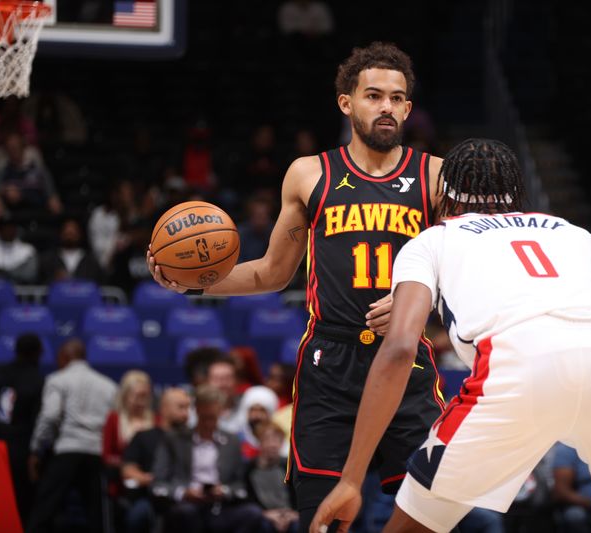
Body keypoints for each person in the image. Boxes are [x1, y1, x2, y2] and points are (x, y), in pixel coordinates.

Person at [309, 138, 591, 533]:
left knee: (417, 521)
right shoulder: (573, 234)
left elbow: (399, 349)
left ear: (442, 195)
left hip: (517, 371)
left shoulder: (431, 240)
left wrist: (351, 479)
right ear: (517, 193)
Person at [148, 41, 445, 531]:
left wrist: (421, 301)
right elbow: (271, 272)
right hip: (330, 365)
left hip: (405, 357)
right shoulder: (310, 174)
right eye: (373, 95)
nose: (386, 107)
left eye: (396, 98)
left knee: (428, 516)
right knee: (322, 518)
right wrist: (193, 285)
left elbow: (465, 268)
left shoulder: (433, 175)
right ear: (346, 102)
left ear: (408, 108)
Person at [27, 338, 117, 533]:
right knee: (96, 515)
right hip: (95, 452)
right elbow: (113, 423)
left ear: (65, 356)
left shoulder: (57, 379)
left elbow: (50, 416)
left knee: (44, 509)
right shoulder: (108, 385)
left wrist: (36, 448)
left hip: (66, 450)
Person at [151, 385, 264, 533]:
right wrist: (183, 492)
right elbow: (158, 482)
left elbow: (239, 484)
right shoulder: (174, 440)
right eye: (204, 417)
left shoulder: (232, 441)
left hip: (221, 507)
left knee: (253, 513)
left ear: (220, 412)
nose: (208, 423)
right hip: (188, 506)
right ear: (196, 411)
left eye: (213, 418)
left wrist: (223, 490)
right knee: (186, 513)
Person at [0, 333, 45, 526]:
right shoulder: (38, 382)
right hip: (19, 454)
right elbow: (39, 421)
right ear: (39, 353)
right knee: (18, 504)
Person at [121, 387, 191, 533]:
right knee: (137, 516)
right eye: (180, 407)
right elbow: (128, 470)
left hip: (187, 496)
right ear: (164, 408)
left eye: (188, 407)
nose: (186, 413)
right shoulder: (144, 437)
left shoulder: (193, 439)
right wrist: (150, 479)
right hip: (151, 497)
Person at [102, 370, 154, 496]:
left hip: (151, 484)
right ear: (125, 395)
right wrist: (129, 467)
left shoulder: (155, 420)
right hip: (122, 484)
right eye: (137, 396)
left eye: (145, 396)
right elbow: (106, 456)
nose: (141, 401)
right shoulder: (114, 419)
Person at [0, 214, 38, 283]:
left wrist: (0, 272)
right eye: (5, 228)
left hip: (20, 292)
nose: (8, 231)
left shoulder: (28, 251)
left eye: (11, 227)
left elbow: (29, 276)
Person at [38, 218, 104, 283]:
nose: (69, 236)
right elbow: (41, 281)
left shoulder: (90, 260)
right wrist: (54, 279)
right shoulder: (49, 259)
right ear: (61, 234)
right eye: (67, 233)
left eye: (72, 233)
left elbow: (96, 281)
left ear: (79, 235)